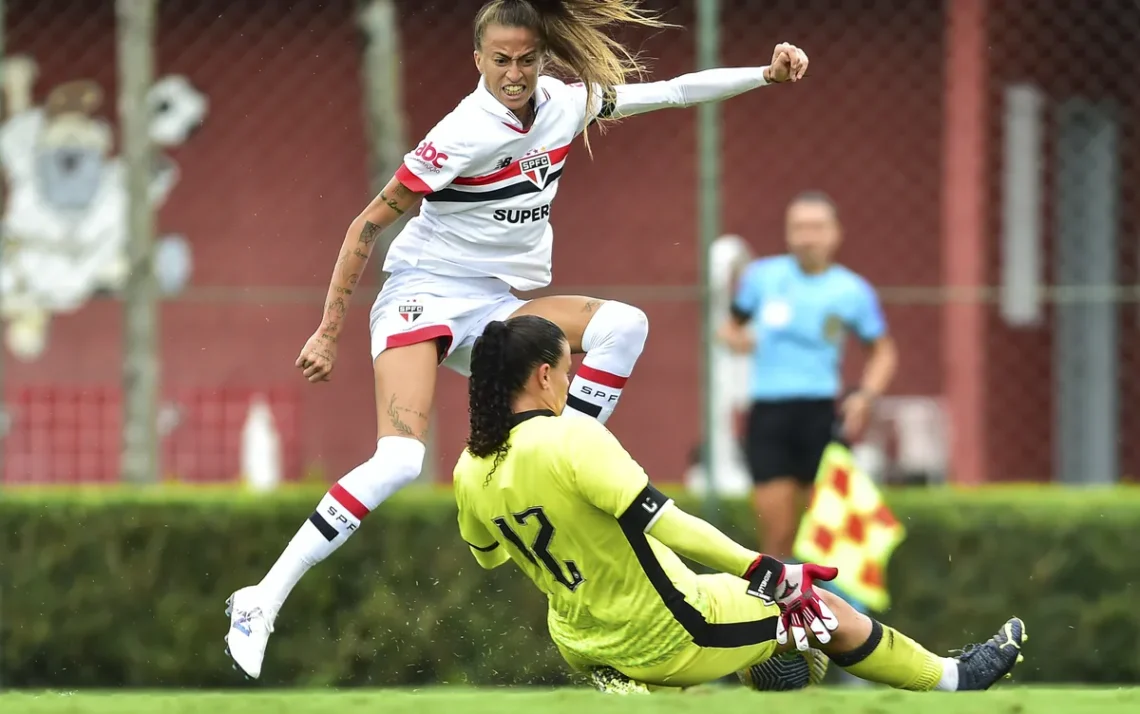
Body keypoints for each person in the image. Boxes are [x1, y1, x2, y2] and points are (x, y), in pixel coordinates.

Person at [224, 0, 813, 679]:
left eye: (525, 59)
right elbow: (365, 226)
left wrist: (763, 75)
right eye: (499, 60)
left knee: (626, 324)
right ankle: (261, 599)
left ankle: (562, 462)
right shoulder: (461, 132)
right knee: (399, 461)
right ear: (477, 60)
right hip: (421, 295)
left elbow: (676, 92)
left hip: (492, 304)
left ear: (543, 57)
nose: (513, 72)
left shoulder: (567, 102)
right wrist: (329, 331)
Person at [452, 314, 1025, 693]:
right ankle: (955, 679)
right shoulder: (573, 436)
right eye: (570, 370)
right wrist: (770, 572)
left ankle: (760, 662)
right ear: (546, 375)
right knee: (821, 609)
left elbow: (490, 557)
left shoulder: (468, 467)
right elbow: (669, 525)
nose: (573, 382)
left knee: (724, 653)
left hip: (581, 642)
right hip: (671, 628)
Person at [718, 190, 898, 564]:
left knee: (827, 530)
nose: (806, 236)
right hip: (769, 413)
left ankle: (832, 616)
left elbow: (882, 352)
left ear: (835, 233)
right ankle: (776, 614)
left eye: (816, 227)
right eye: (798, 227)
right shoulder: (762, 278)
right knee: (777, 530)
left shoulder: (851, 290)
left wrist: (865, 396)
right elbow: (728, 329)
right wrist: (743, 342)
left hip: (821, 413)